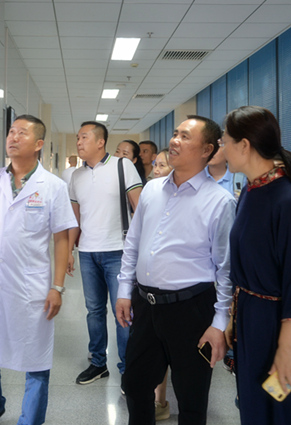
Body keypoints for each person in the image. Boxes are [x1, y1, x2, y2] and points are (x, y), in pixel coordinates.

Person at [116, 115, 235, 424]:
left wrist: (219, 323)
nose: (174, 141)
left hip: (191, 309)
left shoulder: (220, 201)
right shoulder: (152, 190)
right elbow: (133, 243)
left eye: (185, 136)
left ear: (207, 149)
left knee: (191, 397)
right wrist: (124, 291)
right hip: (146, 305)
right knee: (135, 385)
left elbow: (225, 269)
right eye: (175, 134)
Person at [0, 114, 77, 425]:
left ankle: (30, 421)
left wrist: (57, 287)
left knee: (35, 360)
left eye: (21, 133)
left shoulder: (53, 186)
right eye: (11, 132)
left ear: (38, 144)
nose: (12, 137)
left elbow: (62, 238)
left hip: (30, 287)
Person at [222, 106, 291, 424]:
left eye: (225, 142)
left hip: (281, 324)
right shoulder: (249, 192)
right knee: (255, 408)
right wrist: (234, 318)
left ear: (244, 145)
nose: (222, 150)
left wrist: (287, 348)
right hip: (251, 320)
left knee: (285, 413)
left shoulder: (289, 200)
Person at [68, 121, 143, 386]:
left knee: (123, 312)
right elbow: (75, 218)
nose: (79, 142)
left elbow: (141, 210)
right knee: (94, 311)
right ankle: (98, 363)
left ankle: (128, 369)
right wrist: (69, 250)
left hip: (118, 251)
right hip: (88, 253)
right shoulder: (76, 176)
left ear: (100, 142)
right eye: (78, 138)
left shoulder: (123, 166)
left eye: (84, 137)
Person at [148, 147, 173, 421]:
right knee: (157, 351)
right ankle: (159, 400)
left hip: (183, 291)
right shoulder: (150, 194)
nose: (156, 170)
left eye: (162, 165)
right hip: (151, 287)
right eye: (155, 165)